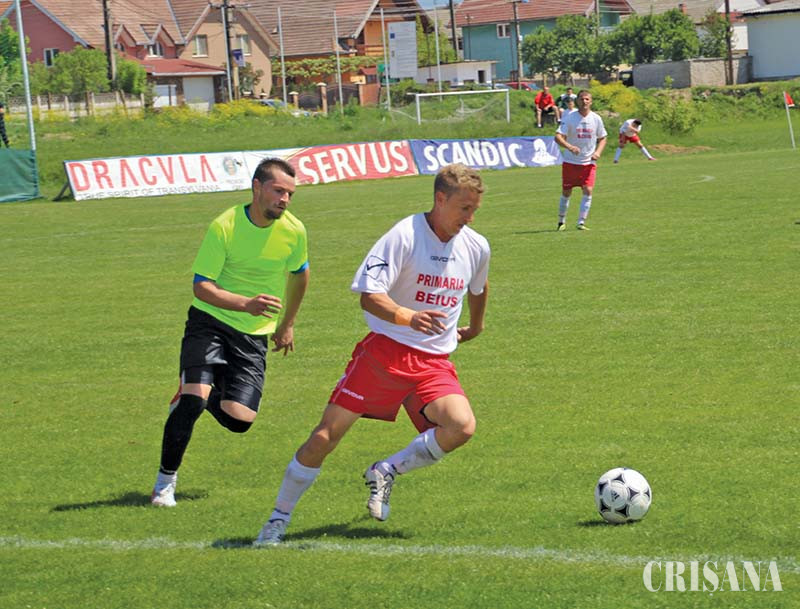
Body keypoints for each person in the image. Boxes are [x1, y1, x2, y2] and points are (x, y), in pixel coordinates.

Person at [254, 163, 491, 546]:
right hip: (385, 355)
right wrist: (407, 316)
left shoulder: (476, 245)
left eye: (475, 209)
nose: (470, 218)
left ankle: (386, 470)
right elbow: (369, 295)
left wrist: (476, 326)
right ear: (440, 199)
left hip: (433, 362)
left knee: (461, 427)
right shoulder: (404, 235)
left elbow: (479, 286)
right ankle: (277, 521)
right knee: (325, 437)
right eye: (464, 208)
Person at [150, 157, 310, 507]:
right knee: (193, 401)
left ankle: (200, 393)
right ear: (257, 187)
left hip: (252, 335)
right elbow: (202, 287)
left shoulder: (294, 231)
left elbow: (300, 274)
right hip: (210, 320)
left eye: (290, 194)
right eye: (278, 191)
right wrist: (244, 303)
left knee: (240, 420)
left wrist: (287, 324)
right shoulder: (225, 225)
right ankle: (164, 484)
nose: (284, 199)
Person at [554, 89, 607, 231]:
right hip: (571, 162)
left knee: (588, 190)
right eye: (582, 99)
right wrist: (570, 147)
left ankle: (581, 222)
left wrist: (598, 152)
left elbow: (603, 138)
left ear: (591, 101)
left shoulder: (596, 118)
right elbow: (558, 137)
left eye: (587, 99)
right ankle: (561, 222)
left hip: (588, 163)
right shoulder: (570, 118)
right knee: (566, 192)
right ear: (577, 101)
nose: (584, 101)